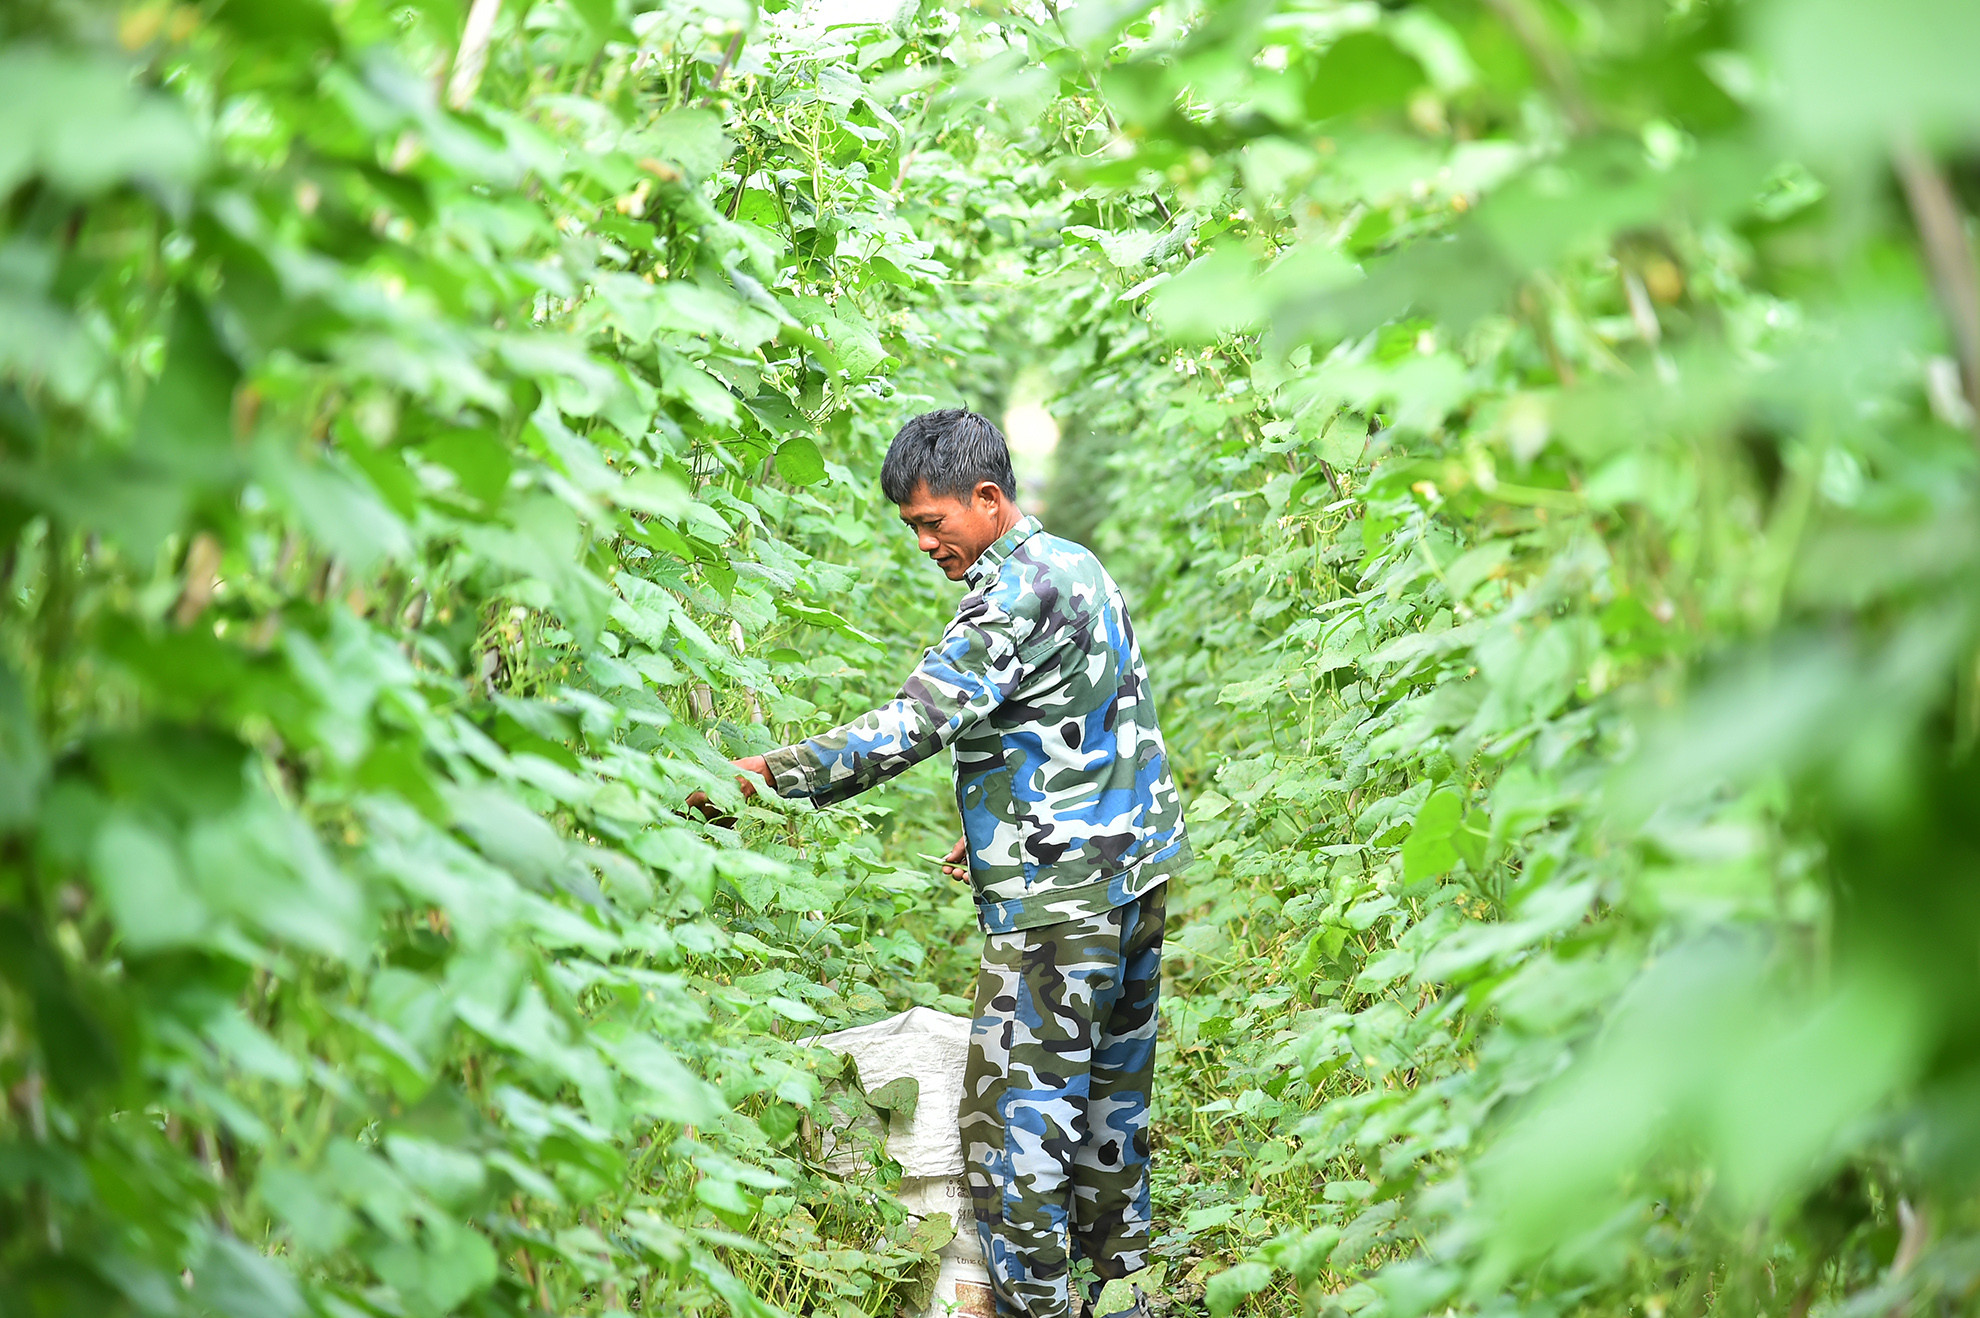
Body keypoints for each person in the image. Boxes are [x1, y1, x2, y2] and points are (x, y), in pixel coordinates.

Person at [690, 409, 1189, 1318]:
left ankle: (1037, 1308)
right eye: (913, 527)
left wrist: (765, 780)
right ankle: (1125, 1297)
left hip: (1059, 903)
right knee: (1111, 1110)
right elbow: (1098, 711)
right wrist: (1000, 809)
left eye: (933, 522)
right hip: (1134, 875)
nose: (924, 543)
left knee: (1016, 1131)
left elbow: (908, 725)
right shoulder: (1075, 565)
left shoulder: (1007, 600)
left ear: (988, 498)